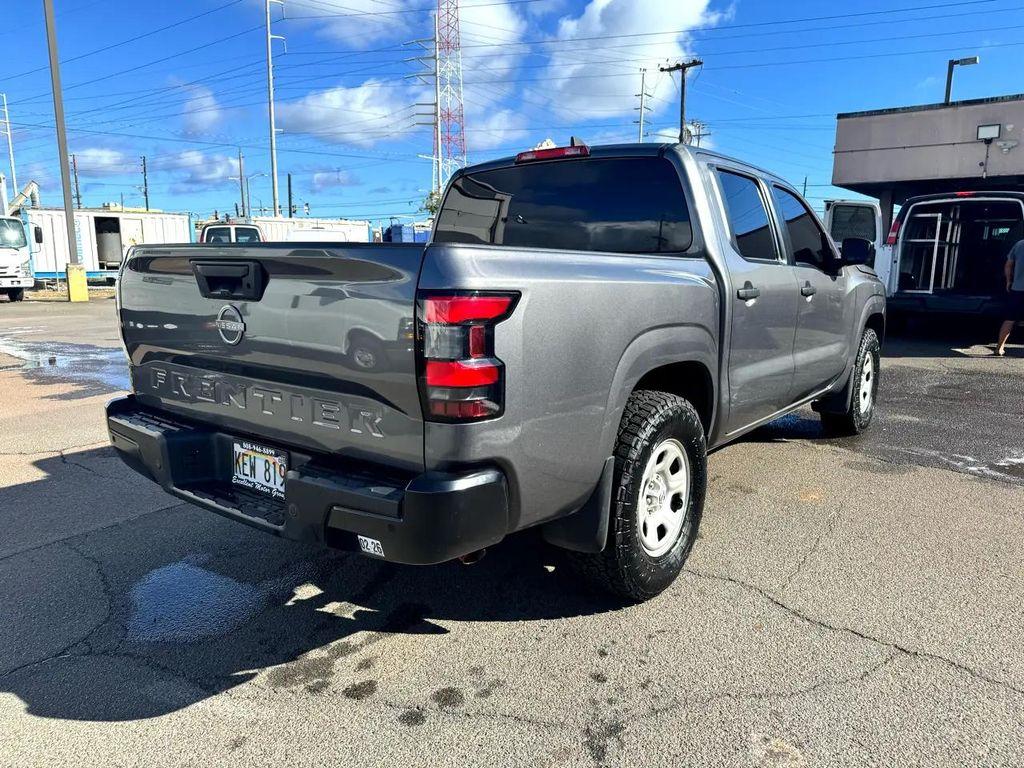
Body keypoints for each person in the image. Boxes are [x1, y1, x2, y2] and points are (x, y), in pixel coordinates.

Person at [996, 237, 1024, 356]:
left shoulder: (1019, 244)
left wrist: (1008, 281)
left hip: (1017, 288)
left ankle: (999, 347)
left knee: (1009, 319)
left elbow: (1008, 265)